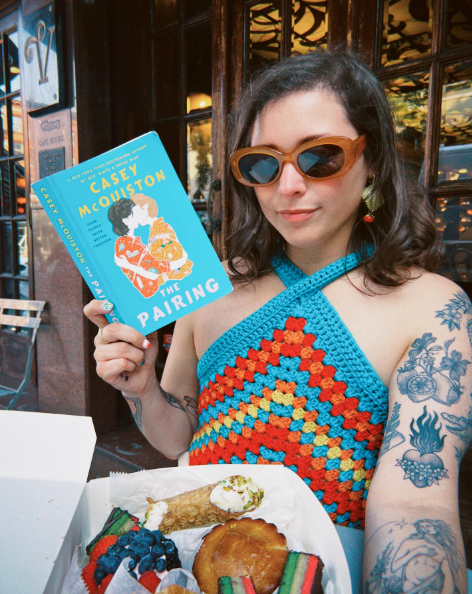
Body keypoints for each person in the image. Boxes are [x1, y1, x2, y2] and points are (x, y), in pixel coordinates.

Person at [84, 48, 470, 592]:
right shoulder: (210, 287)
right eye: (263, 164)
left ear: (374, 160)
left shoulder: (432, 307)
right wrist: (142, 388)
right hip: (197, 562)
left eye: (320, 157)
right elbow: (179, 439)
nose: (288, 186)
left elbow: (415, 502)